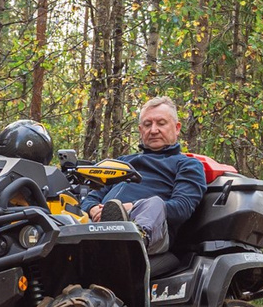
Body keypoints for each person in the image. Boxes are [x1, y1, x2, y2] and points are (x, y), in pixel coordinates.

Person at [78, 96, 206, 252]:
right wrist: (94, 210)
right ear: (140, 130)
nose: (153, 130)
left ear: (177, 128)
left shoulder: (187, 164)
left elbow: (182, 208)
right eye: (147, 124)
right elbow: (92, 197)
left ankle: (133, 240)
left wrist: (129, 208)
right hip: (98, 226)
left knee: (154, 203)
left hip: (154, 233)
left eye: (161, 123)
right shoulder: (123, 163)